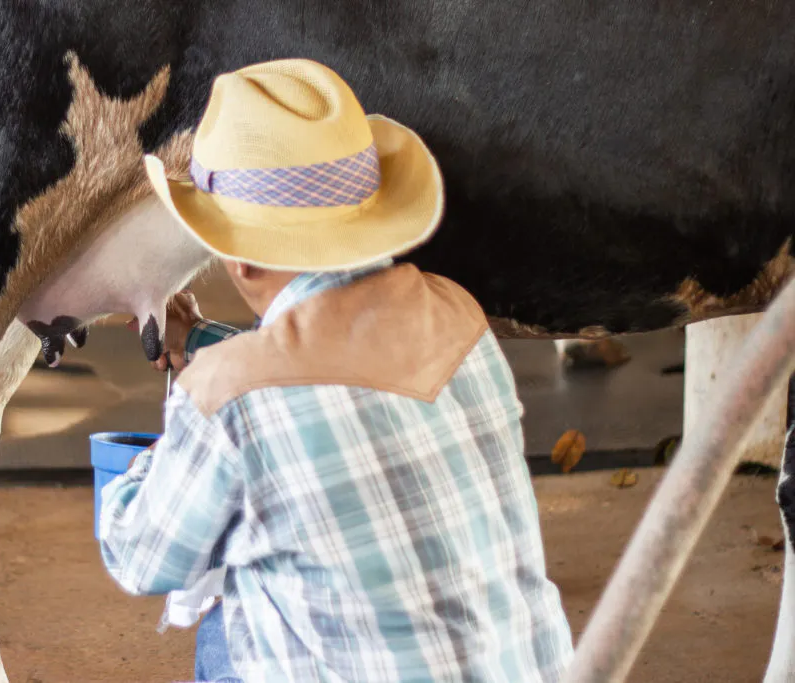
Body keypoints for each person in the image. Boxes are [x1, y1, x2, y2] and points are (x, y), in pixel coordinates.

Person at [100, 58, 574, 682]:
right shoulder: (458, 314)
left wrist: (149, 462)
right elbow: (331, 368)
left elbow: (141, 557)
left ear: (237, 260)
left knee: (227, 609)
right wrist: (208, 346)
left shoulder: (227, 400)